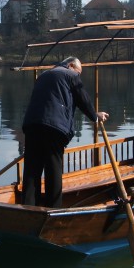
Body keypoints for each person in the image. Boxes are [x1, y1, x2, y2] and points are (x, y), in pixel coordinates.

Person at [21, 56, 109, 208]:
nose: (79, 75)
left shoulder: (43, 75)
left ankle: (27, 208)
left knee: (31, 170)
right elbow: (83, 99)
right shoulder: (70, 75)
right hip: (54, 127)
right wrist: (95, 116)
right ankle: (53, 209)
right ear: (70, 65)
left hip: (32, 125)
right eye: (79, 72)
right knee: (53, 168)